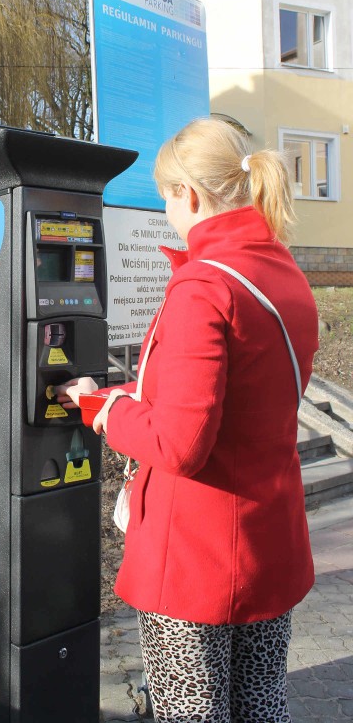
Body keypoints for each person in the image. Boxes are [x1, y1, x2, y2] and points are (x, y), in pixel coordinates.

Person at [57, 118, 319, 723]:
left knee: (192, 713)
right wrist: (129, 390)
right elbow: (245, 396)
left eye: (164, 197)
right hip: (268, 540)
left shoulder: (202, 287)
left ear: (189, 196)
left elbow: (180, 443)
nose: (166, 211)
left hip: (197, 559)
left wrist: (101, 407)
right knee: (261, 706)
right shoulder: (286, 275)